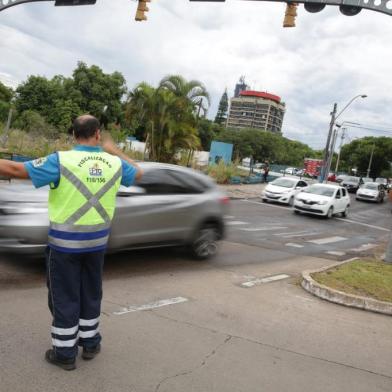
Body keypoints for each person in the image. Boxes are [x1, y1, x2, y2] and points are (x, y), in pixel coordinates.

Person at [0, 115, 142, 371]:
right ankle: (90, 344)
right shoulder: (114, 163)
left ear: (73, 135)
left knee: (64, 297)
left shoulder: (61, 160)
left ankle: (65, 353)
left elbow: (13, 170)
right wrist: (114, 151)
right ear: (98, 134)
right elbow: (139, 174)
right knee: (91, 293)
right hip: (97, 245)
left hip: (64, 247)